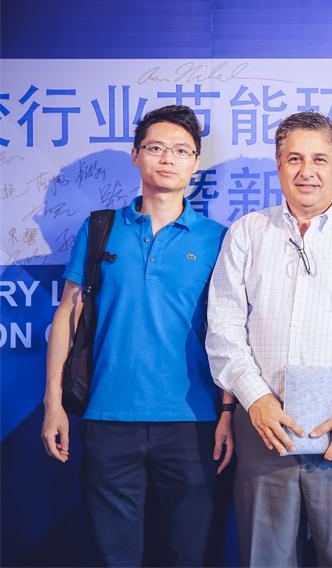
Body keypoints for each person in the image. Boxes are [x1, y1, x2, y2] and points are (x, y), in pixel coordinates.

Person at [205, 111, 332, 567]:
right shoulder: (247, 233)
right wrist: (255, 400)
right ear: (278, 165)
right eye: (294, 158)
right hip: (265, 427)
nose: (306, 171)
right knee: (264, 558)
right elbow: (223, 327)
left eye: (319, 159)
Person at [40, 105, 234, 566]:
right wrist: (53, 403)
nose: (168, 158)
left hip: (192, 421)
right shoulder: (100, 228)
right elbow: (69, 314)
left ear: (195, 163)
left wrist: (227, 412)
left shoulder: (218, 238)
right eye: (156, 148)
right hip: (108, 416)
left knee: (188, 553)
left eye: (181, 151)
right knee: (115, 555)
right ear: (136, 155)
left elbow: (231, 331)